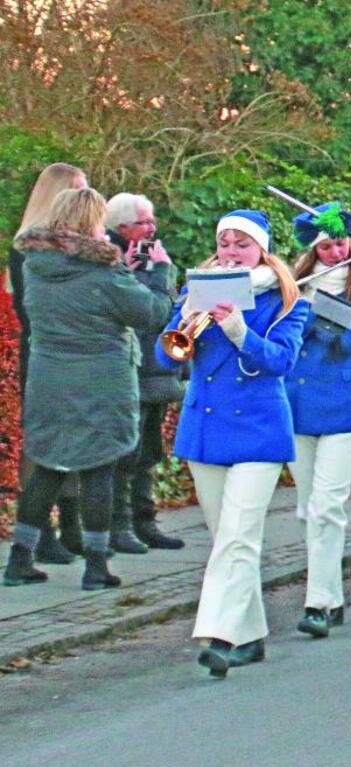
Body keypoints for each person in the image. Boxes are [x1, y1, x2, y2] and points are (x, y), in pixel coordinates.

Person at [157, 209, 307, 676]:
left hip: (259, 428)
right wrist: (185, 317)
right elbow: (164, 358)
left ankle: (218, 634)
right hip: (206, 427)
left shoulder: (286, 300)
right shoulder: (198, 290)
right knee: (229, 539)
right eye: (225, 243)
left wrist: (241, 332)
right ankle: (251, 634)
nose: (231, 252)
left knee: (239, 536)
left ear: (262, 250)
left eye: (243, 244)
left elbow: (281, 361)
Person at [4, 188, 173, 589]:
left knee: (48, 465)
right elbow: (151, 313)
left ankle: (19, 560)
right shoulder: (103, 272)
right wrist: (161, 273)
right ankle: (96, 566)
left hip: (49, 378)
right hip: (102, 379)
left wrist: (120, 271)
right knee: (100, 466)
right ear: (93, 222)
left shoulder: (36, 265)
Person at [285, 202, 351, 639]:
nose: (334, 253)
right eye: (325, 247)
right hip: (298, 403)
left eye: (340, 243)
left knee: (327, 505)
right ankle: (331, 595)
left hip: (346, 404)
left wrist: (310, 313)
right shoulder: (292, 285)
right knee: (307, 508)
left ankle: (317, 603)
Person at [8, 163, 88, 565]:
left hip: (74, 353)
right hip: (46, 353)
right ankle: (39, 532)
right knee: (44, 443)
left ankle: (71, 525)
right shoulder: (29, 249)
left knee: (77, 439)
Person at [105, 192, 187, 553]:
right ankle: (119, 525)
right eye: (144, 222)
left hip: (156, 368)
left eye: (153, 221)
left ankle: (144, 521)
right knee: (126, 452)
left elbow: (171, 309)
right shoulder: (110, 259)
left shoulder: (151, 256)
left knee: (149, 451)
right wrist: (161, 273)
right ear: (121, 226)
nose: (152, 228)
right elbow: (148, 311)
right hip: (130, 369)